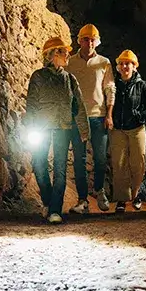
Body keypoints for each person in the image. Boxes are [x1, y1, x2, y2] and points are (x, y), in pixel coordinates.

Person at [24, 36, 89, 224]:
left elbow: (79, 106)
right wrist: (29, 126)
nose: (67, 54)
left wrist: (84, 130)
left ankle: (54, 210)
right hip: (41, 128)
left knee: (60, 169)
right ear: (51, 55)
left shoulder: (70, 79)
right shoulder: (37, 77)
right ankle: (48, 200)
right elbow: (32, 104)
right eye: (62, 51)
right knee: (39, 165)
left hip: (63, 128)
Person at [67, 23, 116, 213]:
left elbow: (110, 88)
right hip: (77, 117)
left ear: (97, 41)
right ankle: (82, 200)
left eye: (92, 39)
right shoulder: (70, 62)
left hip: (98, 116)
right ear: (79, 40)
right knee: (79, 159)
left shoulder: (104, 62)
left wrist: (109, 115)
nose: (89, 43)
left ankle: (99, 191)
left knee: (101, 158)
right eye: (86, 39)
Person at [110, 50, 146, 212]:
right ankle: (122, 199)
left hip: (136, 129)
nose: (124, 66)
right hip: (118, 130)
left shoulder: (141, 86)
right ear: (118, 67)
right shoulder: (113, 84)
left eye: (128, 63)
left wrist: (139, 116)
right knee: (119, 163)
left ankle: (136, 195)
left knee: (138, 163)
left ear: (134, 67)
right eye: (121, 63)